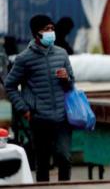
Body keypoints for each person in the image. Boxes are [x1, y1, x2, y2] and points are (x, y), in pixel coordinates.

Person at [5, 14, 75, 182]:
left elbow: (71, 84)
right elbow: (10, 85)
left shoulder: (62, 54)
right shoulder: (24, 59)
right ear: (36, 34)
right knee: (43, 162)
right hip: (39, 118)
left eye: (52, 28)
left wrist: (66, 78)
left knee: (64, 158)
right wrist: (24, 109)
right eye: (46, 29)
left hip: (62, 116)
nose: (50, 32)